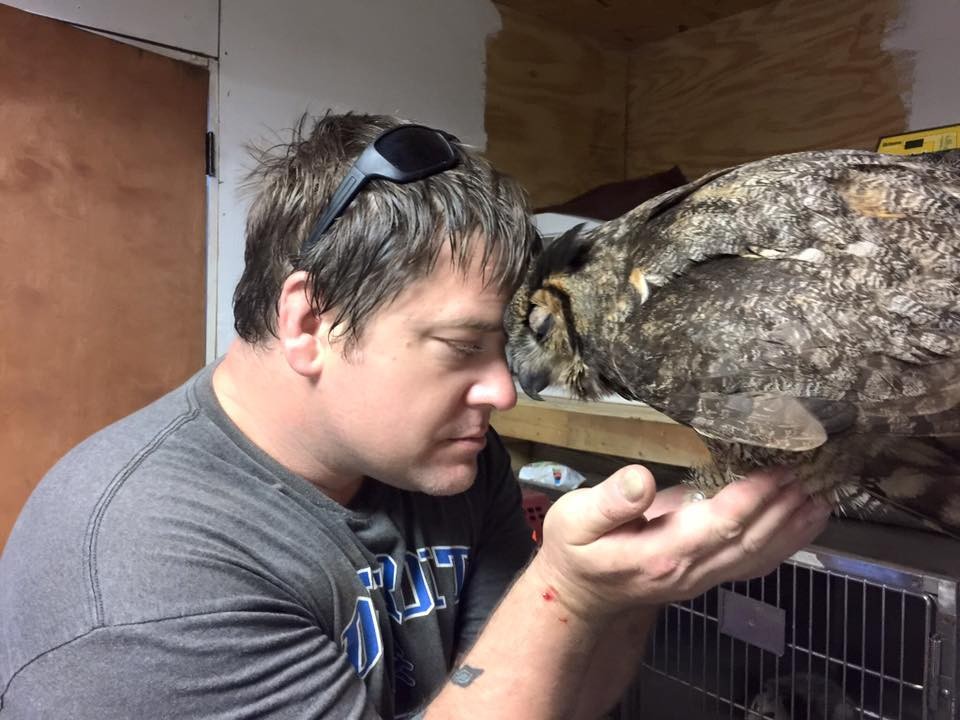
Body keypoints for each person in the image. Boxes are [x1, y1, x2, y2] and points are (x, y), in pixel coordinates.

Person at [0, 112, 831, 719]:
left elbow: (545, 703)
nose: (503, 392)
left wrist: (630, 585)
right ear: (309, 322)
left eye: (503, 348)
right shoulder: (140, 572)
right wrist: (568, 595)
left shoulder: (457, 467)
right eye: (460, 345)